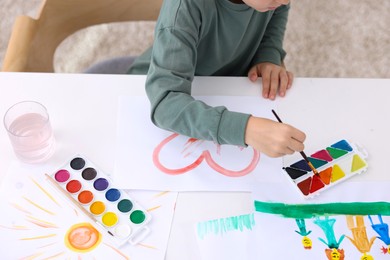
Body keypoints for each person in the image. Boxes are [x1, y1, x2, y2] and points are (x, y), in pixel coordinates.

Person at [128, 0, 306, 158]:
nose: (285, 0)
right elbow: (165, 106)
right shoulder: (186, 6)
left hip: (226, 84)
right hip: (148, 94)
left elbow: (278, 12)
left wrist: (268, 54)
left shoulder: (273, 2)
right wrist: (245, 130)